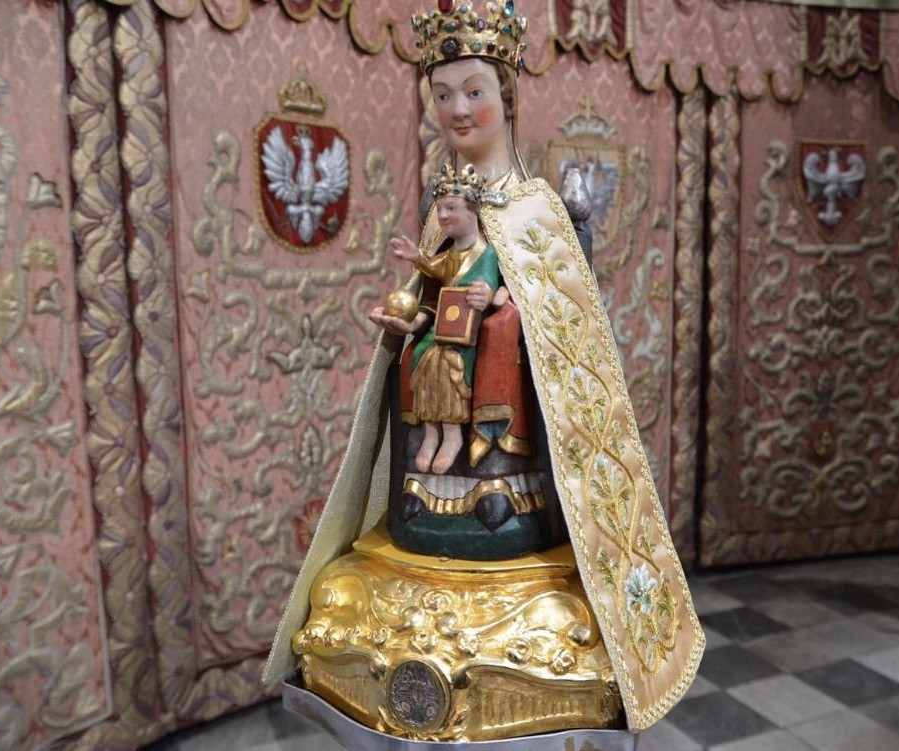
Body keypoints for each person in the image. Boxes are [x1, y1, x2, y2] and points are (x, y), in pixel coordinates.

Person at [265, 0, 703, 733]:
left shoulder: (538, 212)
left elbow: (571, 337)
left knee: (497, 348)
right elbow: (430, 287)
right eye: (442, 94)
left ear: (508, 96)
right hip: (439, 393)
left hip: (511, 422)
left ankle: (501, 487)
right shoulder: (447, 209)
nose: (457, 110)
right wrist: (411, 319)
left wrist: (507, 317)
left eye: (473, 91)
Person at [386, 163, 500, 476]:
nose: (443, 216)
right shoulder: (451, 254)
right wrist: (417, 257)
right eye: (440, 210)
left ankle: (452, 436)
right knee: (422, 357)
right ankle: (431, 432)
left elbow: (491, 283)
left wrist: (486, 294)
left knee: (449, 364)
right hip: (443, 326)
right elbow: (437, 269)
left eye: (451, 208)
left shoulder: (486, 253)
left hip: (468, 332)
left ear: (472, 211)